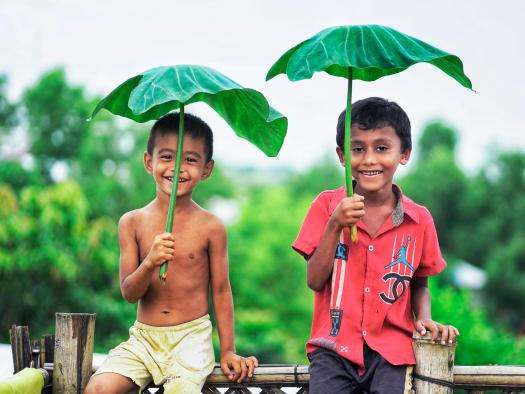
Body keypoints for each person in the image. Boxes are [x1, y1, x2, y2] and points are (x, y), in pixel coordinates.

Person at [292, 97, 459, 393]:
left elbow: (419, 283)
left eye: (381, 148)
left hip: (390, 353)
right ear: (342, 155)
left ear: (404, 153)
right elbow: (315, 280)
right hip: (332, 350)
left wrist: (424, 319)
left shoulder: (419, 220)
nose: (369, 159)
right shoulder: (326, 206)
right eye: (358, 149)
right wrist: (335, 224)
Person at [85, 112, 258, 394]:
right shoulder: (132, 222)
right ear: (148, 161)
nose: (176, 167)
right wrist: (150, 262)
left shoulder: (211, 227)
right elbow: (129, 293)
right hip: (143, 339)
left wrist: (228, 350)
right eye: (166, 156)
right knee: (98, 388)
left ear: (207, 169)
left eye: (190, 159)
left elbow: (221, 291)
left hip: (191, 339)